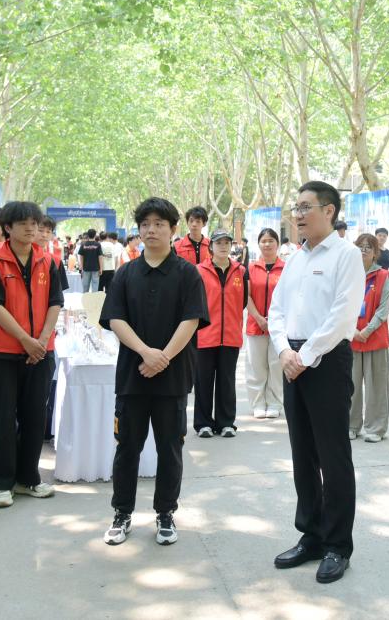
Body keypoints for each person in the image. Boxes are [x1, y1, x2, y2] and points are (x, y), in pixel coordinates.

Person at [269, 181, 365, 584]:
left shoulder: (347, 255)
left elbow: (343, 316)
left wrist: (304, 356)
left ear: (329, 211)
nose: (299, 214)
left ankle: (337, 544)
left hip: (325, 360)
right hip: (293, 360)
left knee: (332, 455)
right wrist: (284, 352)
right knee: (303, 453)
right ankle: (311, 534)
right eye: (296, 207)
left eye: (306, 206)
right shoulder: (295, 258)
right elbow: (276, 310)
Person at [100, 197, 209, 546]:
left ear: (173, 229)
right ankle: (122, 513)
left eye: (159, 224)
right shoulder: (125, 273)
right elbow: (115, 318)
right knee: (127, 448)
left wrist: (163, 357)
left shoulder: (187, 274)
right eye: (145, 224)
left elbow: (191, 320)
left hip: (173, 379)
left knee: (170, 449)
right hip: (132, 377)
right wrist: (146, 353)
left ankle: (165, 513)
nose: (151, 230)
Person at [0, 201, 63, 508]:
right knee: (3, 418)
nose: (31, 228)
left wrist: (41, 340)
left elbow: (55, 302)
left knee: (34, 417)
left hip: (41, 352)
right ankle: (2, 485)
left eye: (34, 223)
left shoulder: (47, 261)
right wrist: (26, 340)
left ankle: (28, 479)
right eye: (23, 223)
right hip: (4, 352)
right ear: (8, 228)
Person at [193, 230, 248, 439]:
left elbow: (243, 301)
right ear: (211, 247)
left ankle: (226, 423)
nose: (223, 246)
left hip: (231, 335)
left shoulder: (240, 271)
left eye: (227, 243)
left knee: (227, 381)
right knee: (203, 381)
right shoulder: (199, 271)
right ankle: (203, 423)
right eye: (219, 243)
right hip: (205, 335)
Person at [348, 233, 389, 443]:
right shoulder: (348, 274)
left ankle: (376, 428)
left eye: (369, 247)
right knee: (351, 386)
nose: (364, 250)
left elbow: (383, 309)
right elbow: (341, 304)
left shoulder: (383, 275)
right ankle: (351, 425)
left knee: (377, 387)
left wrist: (367, 330)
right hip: (351, 338)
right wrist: (352, 330)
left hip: (375, 339)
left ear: (375, 253)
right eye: (360, 246)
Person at [246, 228, 285, 419]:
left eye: (271, 241)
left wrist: (274, 320)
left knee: (276, 366)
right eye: (263, 241)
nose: (267, 244)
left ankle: (275, 403)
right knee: (256, 367)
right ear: (258, 244)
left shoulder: (286, 268)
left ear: (278, 244)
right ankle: (258, 403)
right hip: (256, 325)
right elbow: (246, 296)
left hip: (279, 327)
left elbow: (289, 296)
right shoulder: (251, 268)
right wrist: (259, 318)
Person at [38, 216, 69, 441]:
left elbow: (58, 300)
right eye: (40, 229)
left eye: (47, 231)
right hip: (19, 340)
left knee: (44, 387)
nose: (43, 234)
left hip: (46, 336)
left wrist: (47, 333)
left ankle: (44, 430)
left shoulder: (54, 262)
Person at [77, 228, 104, 292]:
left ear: (88, 235)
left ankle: (85, 298)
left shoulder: (83, 244)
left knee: (85, 286)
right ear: (95, 235)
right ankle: (94, 298)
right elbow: (100, 257)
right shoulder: (98, 244)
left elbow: (81, 256)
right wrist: (101, 268)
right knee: (95, 286)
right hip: (96, 268)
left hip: (86, 268)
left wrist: (81, 267)